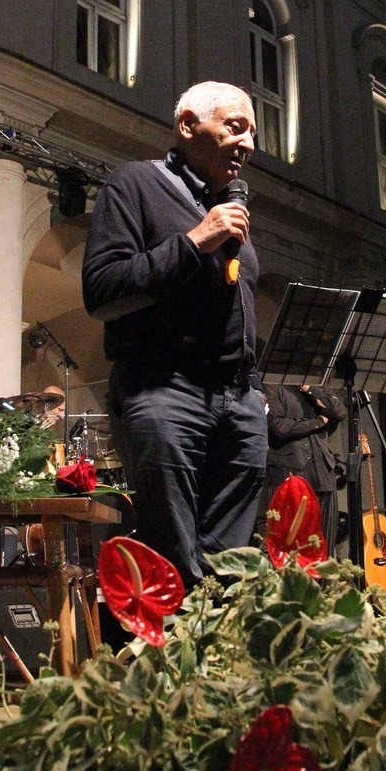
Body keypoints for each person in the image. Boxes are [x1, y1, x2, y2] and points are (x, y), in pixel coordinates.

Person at [81, 80, 267, 589]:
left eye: (252, 132)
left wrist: (256, 392)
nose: (248, 143)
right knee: (172, 554)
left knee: (229, 566)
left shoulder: (230, 213)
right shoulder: (135, 185)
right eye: (235, 127)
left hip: (239, 401)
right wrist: (194, 241)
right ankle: (169, 663)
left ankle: (215, 659)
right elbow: (102, 291)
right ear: (188, 125)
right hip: (165, 389)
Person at [263, 382, 347, 556]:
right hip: (290, 472)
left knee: (323, 550)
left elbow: (338, 411)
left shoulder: (314, 387)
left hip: (323, 474)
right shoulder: (272, 384)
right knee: (290, 549)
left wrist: (310, 388)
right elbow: (279, 427)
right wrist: (318, 422)